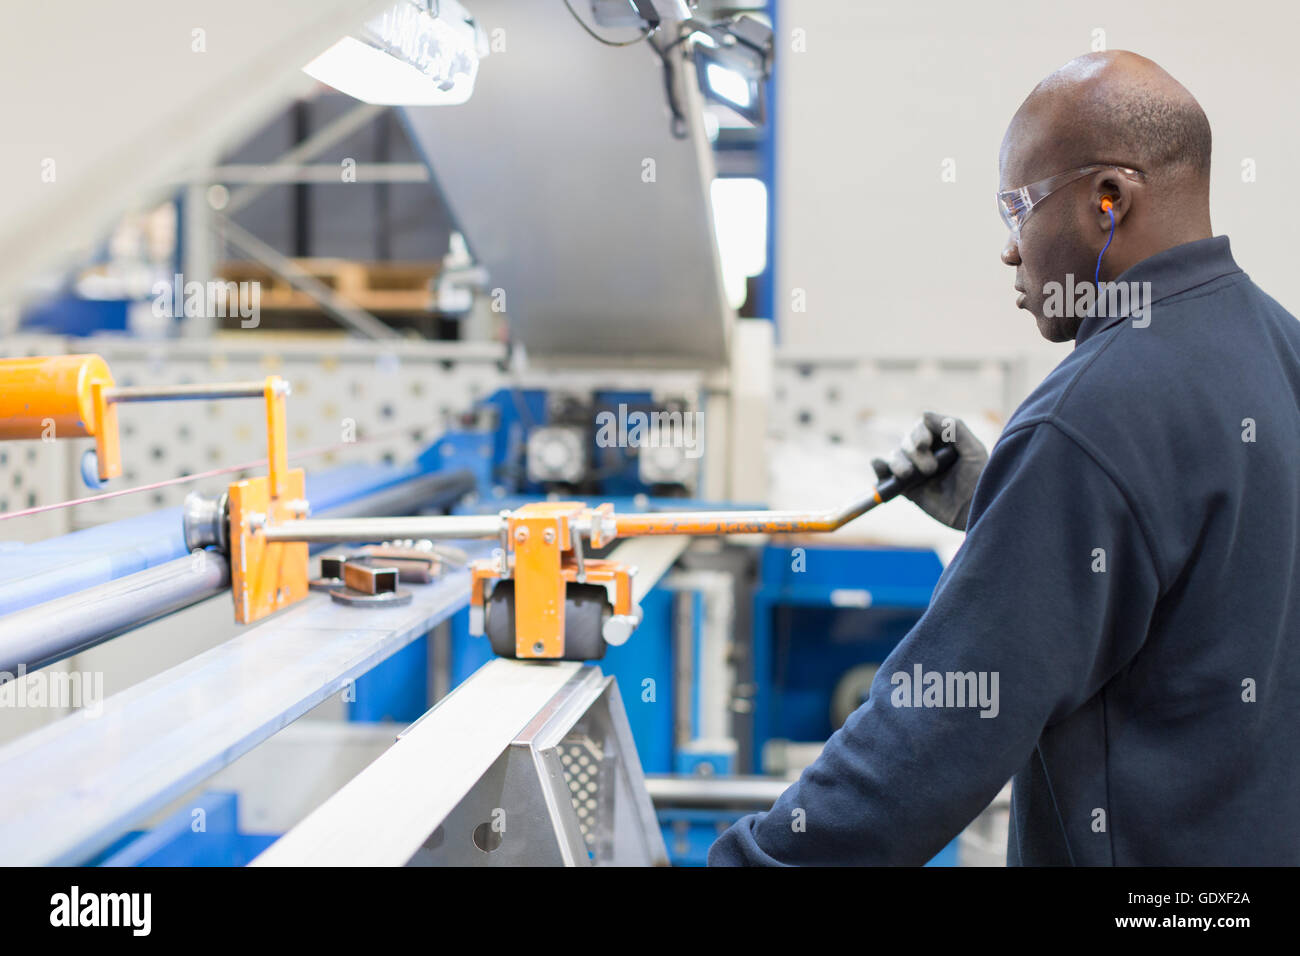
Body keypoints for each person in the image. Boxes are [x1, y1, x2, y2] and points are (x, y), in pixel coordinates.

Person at [709, 51, 1300, 866]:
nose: (1013, 252)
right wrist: (1005, 502)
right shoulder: (1278, 346)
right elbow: (1216, 576)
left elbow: (929, 736)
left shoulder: (1089, 416)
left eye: (1017, 208)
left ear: (1108, 200)